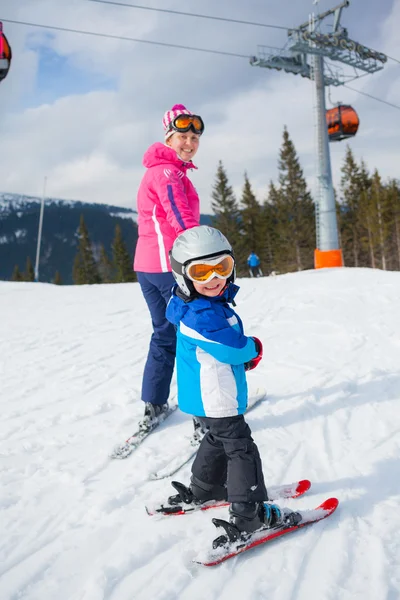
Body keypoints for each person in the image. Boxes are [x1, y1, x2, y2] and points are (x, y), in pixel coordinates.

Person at [164, 225, 285, 535]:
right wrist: (253, 348)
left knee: (217, 438)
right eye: (202, 272)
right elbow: (232, 349)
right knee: (240, 447)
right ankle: (249, 514)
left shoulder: (190, 304)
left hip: (203, 395)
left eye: (223, 267)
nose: (214, 278)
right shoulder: (204, 316)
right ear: (183, 275)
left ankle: (204, 488)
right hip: (216, 395)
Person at [133, 104, 205, 432]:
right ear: (168, 137)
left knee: (164, 334)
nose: (189, 142)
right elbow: (178, 214)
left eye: (194, 137)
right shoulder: (167, 172)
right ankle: (204, 416)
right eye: (183, 136)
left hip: (147, 267)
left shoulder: (158, 170)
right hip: (168, 268)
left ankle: (154, 405)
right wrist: (203, 254)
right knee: (194, 335)